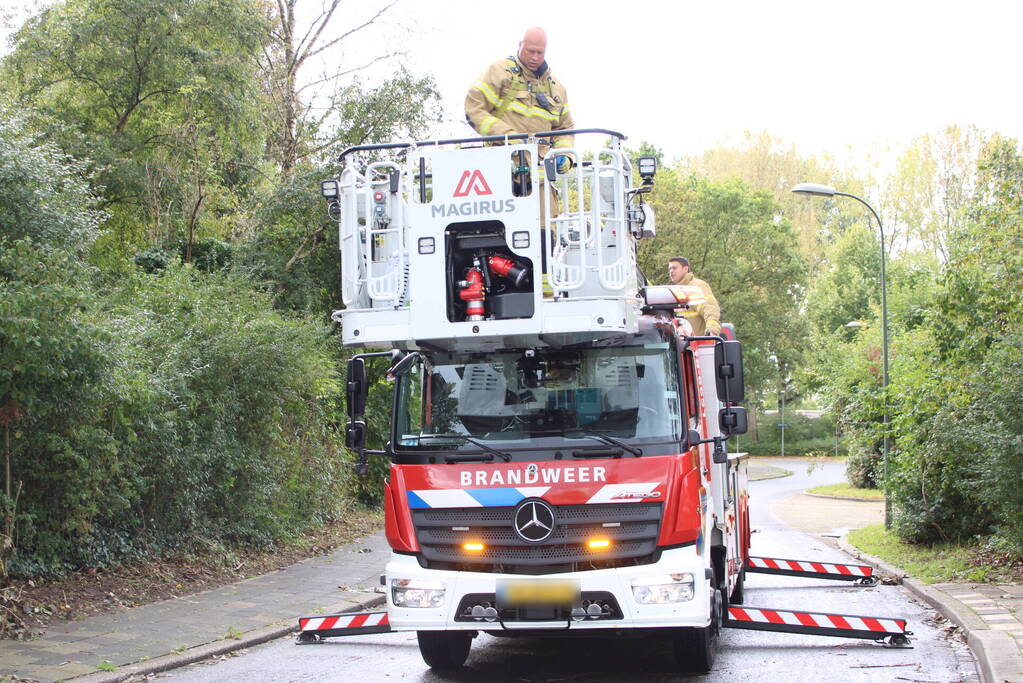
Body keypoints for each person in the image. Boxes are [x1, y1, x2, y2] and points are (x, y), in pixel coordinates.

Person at [465, 27, 575, 167]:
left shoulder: (557, 89)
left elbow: (565, 128)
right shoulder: (499, 72)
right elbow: (474, 108)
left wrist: (564, 154)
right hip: (501, 168)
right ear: (520, 45)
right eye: (530, 51)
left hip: (540, 179)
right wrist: (507, 136)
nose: (535, 57)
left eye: (539, 52)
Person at [667, 257, 721, 336]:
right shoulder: (675, 291)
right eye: (670, 269)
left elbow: (710, 309)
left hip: (699, 345)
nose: (671, 271)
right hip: (682, 346)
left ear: (685, 269)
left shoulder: (697, 287)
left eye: (674, 268)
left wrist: (712, 331)